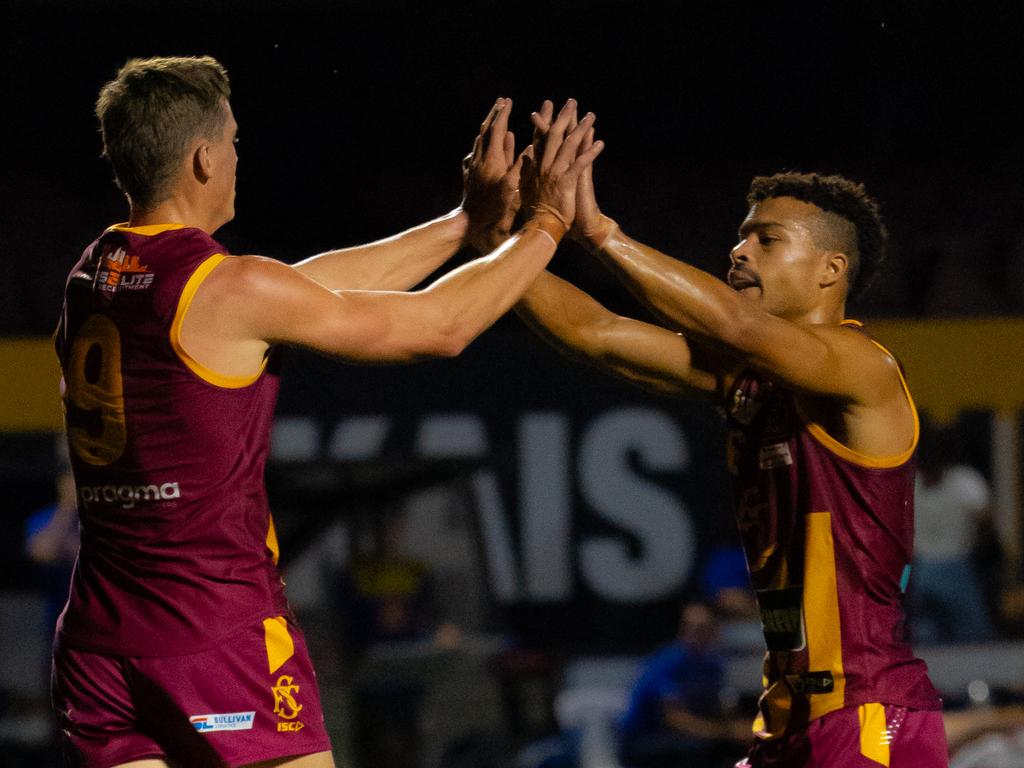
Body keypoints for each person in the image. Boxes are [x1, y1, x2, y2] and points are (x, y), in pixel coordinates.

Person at [52, 56, 602, 768]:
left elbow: (301, 293)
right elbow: (442, 327)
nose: (238, 159)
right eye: (236, 142)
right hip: (214, 633)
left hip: (100, 643)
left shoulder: (94, 271)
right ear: (203, 157)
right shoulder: (229, 290)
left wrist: (463, 225)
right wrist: (549, 221)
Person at [510, 102, 946, 766]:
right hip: (786, 719)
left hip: (866, 718)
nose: (739, 251)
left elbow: (734, 327)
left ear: (830, 270)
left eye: (766, 239)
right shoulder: (748, 382)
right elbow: (592, 333)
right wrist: (492, 239)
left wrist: (597, 231)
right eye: (742, 238)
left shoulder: (864, 369)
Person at [618, 602, 748, 768]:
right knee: (701, 749)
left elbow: (716, 708)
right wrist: (727, 732)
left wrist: (742, 729)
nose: (693, 633)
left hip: (689, 736)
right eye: (688, 627)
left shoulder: (712, 665)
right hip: (644, 741)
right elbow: (675, 719)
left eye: (701, 628)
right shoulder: (667, 662)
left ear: (715, 630)